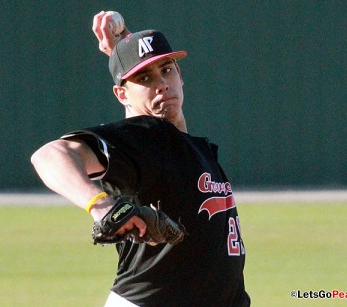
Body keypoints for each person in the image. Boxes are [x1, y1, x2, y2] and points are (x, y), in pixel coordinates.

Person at [31, 11, 250, 307]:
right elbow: (49, 155)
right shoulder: (147, 137)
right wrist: (102, 206)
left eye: (167, 69)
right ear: (122, 95)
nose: (161, 83)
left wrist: (126, 50)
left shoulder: (187, 146)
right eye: (145, 78)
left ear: (181, 76)